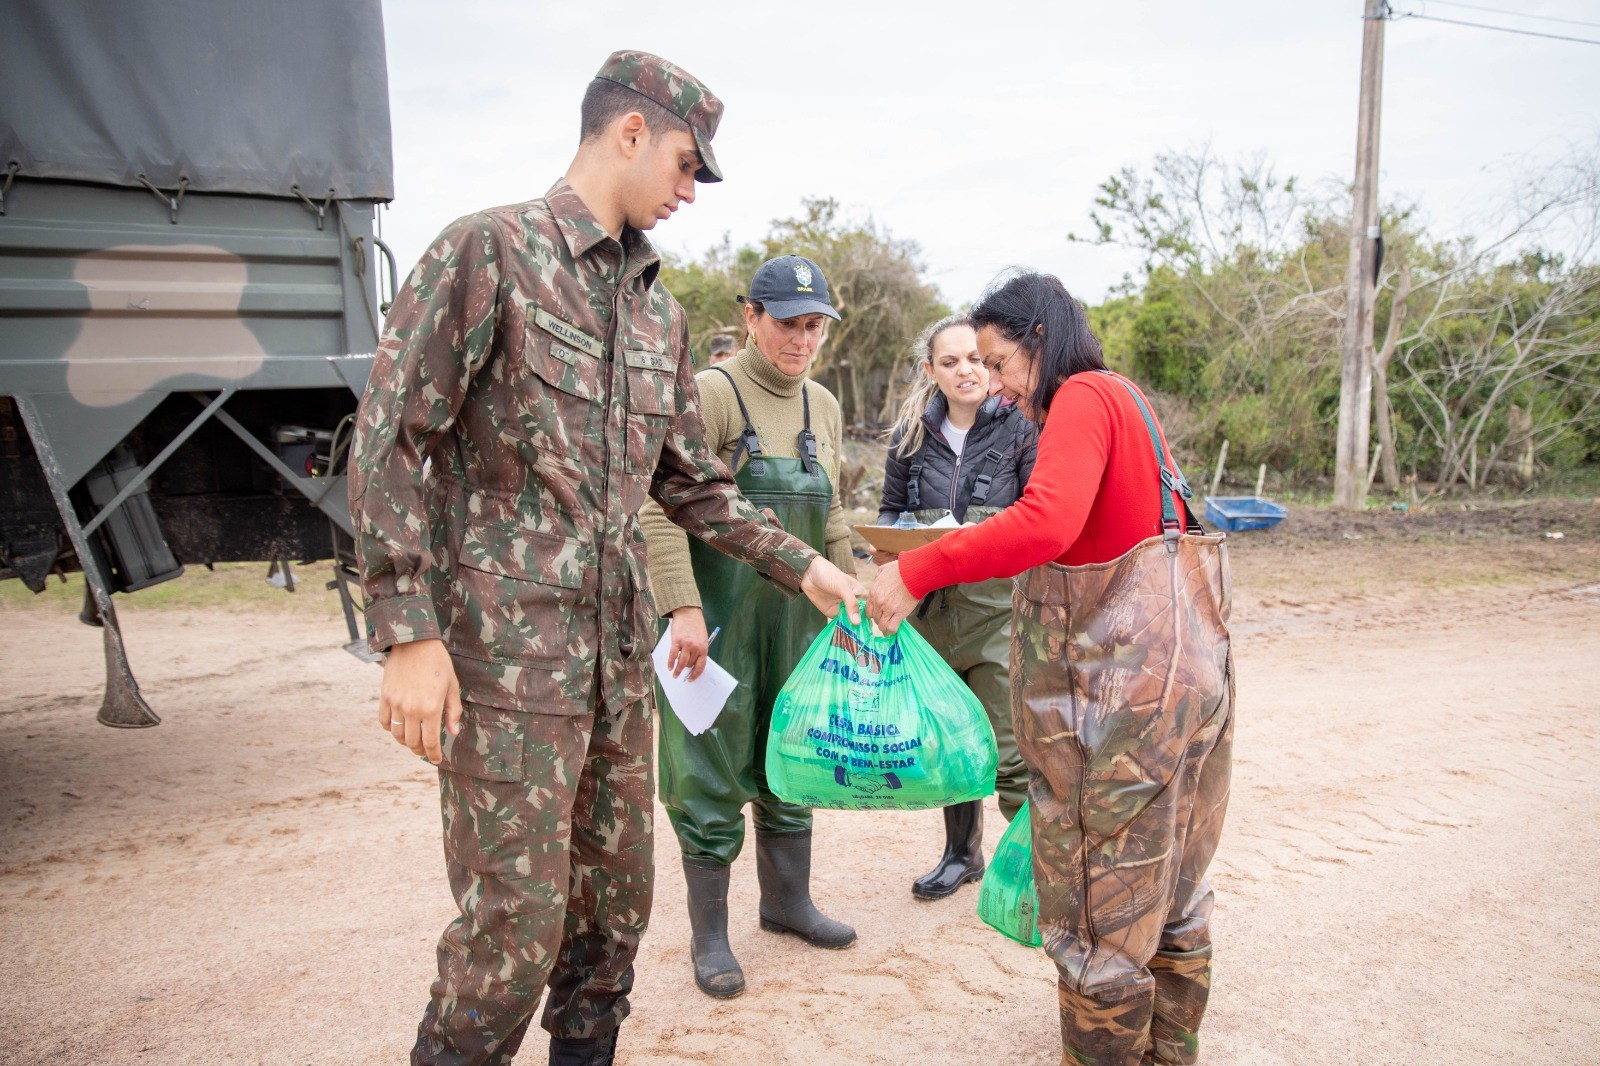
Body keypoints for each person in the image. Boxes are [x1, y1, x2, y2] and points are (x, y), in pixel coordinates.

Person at [348, 51, 862, 1066]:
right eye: (683, 165)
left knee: (611, 919)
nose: (686, 190)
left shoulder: (657, 313)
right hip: (506, 668)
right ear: (628, 133)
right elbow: (388, 440)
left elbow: (691, 482)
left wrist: (810, 569)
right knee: (511, 933)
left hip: (615, 668)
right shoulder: (486, 252)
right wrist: (406, 630)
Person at [867, 271, 1234, 1066]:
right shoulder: (1127, 397)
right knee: (1170, 891)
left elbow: (1047, 520)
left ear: (1041, 341)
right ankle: (1171, 1052)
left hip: (1124, 700)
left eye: (1000, 362)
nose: (994, 384)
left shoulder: (1082, 399)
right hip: (1190, 684)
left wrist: (920, 567)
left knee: (1099, 916)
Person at [640, 254, 858, 999]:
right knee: (707, 767)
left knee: (791, 752)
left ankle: (787, 903)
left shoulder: (822, 406)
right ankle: (710, 937)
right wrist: (684, 609)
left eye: (815, 326)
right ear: (751, 317)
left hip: (795, 621)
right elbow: (659, 502)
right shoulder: (714, 392)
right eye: (788, 324)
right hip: (721, 622)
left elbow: (827, 511)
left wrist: (852, 600)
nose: (802, 340)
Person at [874, 313, 1037, 899]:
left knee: (1013, 745)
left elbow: (1035, 516)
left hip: (1000, 609)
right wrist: (891, 539)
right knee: (949, 736)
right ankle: (961, 854)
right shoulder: (911, 436)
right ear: (931, 371)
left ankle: (1031, 869)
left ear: (991, 364)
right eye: (950, 362)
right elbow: (890, 510)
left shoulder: (1021, 429)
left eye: (976, 358)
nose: (966, 370)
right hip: (932, 610)